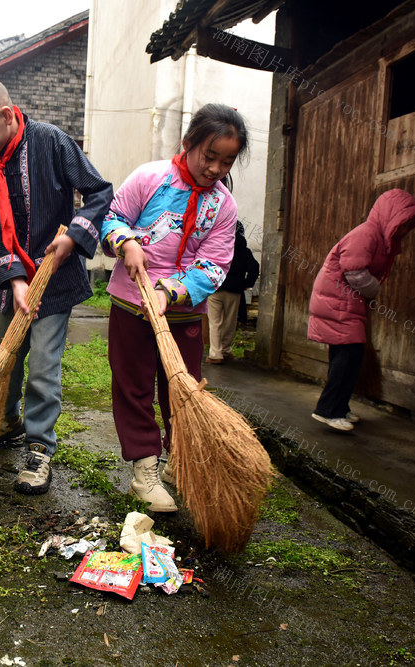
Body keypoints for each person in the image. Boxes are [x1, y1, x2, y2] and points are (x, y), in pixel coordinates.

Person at [0, 72, 113, 495]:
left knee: (43, 365)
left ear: (5, 115)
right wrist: (15, 278)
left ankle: (39, 448)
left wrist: (73, 235)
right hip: (9, 279)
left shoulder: (53, 141)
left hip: (55, 279)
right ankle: (5, 421)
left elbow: (99, 192)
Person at [100, 103, 248, 512]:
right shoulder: (150, 178)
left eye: (227, 161)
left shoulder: (223, 206)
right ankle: (145, 470)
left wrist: (171, 292)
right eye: (209, 155)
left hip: (184, 313)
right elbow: (111, 218)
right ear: (188, 144)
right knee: (132, 387)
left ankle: (179, 460)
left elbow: (215, 264)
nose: (216, 168)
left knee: (183, 390)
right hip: (131, 302)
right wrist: (127, 243)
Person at [307, 189, 415, 432]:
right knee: (349, 357)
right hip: (338, 302)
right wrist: (373, 291)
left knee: (346, 358)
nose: (405, 230)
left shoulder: (379, 237)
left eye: (409, 225)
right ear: (391, 216)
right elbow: (355, 272)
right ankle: (327, 410)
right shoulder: (366, 234)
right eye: (404, 223)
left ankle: (339, 406)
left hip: (344, 303)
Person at [206, 221, 259, 364]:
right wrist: (246, 284)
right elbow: (254, 268)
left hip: (215, 289)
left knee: (215, 323)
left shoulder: (217, 247)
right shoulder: (244, 250)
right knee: (229, 322)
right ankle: (226, 351)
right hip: (234, 291)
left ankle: (215, 354)